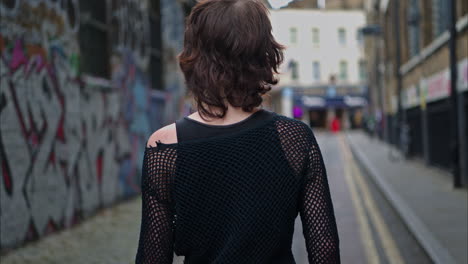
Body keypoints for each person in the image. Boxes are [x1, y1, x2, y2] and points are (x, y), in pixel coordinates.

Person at [135, 0, 340, 263]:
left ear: (195, 56)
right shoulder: (294, 138)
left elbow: (152, 257)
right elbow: (325, 248)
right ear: (265, 54)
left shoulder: (164, 147)